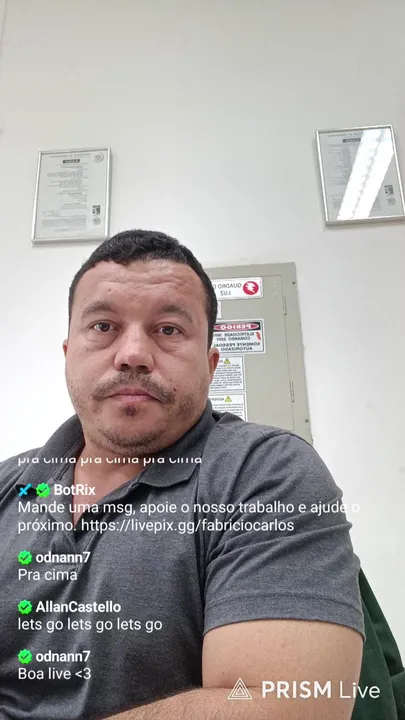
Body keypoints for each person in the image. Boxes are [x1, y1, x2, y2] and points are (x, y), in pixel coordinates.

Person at [0, 229, 364, 720]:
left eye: (169, 330)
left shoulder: (264, 473)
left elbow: (284, 704)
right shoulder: (10, 483)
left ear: (210, 365)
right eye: (104, 326)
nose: (132, 353)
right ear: (69, 355)